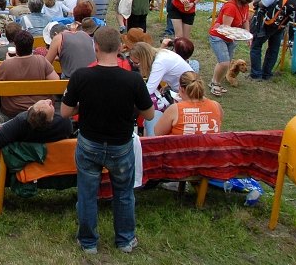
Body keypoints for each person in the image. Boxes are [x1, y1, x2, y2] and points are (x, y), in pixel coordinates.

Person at [61, 27, 154, 255]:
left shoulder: (81, 76)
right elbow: (149, 114)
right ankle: (124, 240)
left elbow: (65, 112)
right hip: (120, 145)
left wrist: (85, 105)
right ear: (121, 48)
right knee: (123, 193)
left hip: (90, 142)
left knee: (87, 193)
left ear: (96, 47)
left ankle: (88, 241)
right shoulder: (133, 79)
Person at [128, 41, 193, 136]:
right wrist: (169, 85)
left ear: (144, 59)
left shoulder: (159, 63)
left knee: (152, 115)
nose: (135, 66)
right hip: (181, 88)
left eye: (137, 63)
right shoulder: (161, 54)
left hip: (186, 94)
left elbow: (148, 91)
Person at [250, 0, 296, 81]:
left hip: (268, 21)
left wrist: (257, 3)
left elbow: (265, 3)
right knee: (274, 48)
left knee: (256, 46)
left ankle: (256, 74)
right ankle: (267, 73)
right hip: (282, 22)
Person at [208, 0, 259, 96]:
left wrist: (248, 35)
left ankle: (216, 81)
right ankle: (214, 83)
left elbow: (245, 20)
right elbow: (227, 28)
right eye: (250, 0)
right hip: (219, 36)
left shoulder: (244, 6)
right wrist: (240, 35)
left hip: (232, 38)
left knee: (226, 62)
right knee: (225, 62)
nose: (251, 3)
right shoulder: (230, 7)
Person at [0, 30, 59, 117]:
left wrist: (7, 62)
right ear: (31, 45)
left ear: (16, 47)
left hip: (13, 109)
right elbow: (56, 81)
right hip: (40, 108)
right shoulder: (42, 60)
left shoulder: (5, 65)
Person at [153, 72, 224, 136]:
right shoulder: (216, 106)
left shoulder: (175, 109)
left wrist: (176, 107)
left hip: (181, 149)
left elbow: (157, 133)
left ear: (182, 89)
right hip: (209, 149)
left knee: (155, 114)